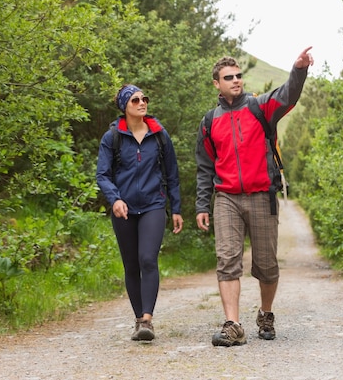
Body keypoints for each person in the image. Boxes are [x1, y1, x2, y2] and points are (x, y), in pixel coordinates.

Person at [195, 47, 314, 346]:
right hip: (226, 198)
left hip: (262, 194)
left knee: (266, 263)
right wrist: (202, 204)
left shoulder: (260, 107)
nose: (235, 80)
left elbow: (288, 95)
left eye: (238, 76)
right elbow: (205, 167)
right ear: (216, 84)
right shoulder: (209, 122)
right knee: (227, 260)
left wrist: (299, 69)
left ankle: (266, 313)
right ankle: (233, 325)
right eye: (228, 77)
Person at [96, 84, 183, 341]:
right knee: (131, 265)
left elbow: (172, 174)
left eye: (144, 98)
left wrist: (175, 208)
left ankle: (147, 319)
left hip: (153, 205)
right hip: (123, 209)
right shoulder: (111, 137)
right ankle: (138, 320)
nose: (142, 103)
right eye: (135, 100)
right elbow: (102, 175)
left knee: (147, 258)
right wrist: (115, 199)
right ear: (125, 106)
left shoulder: (159, 135)